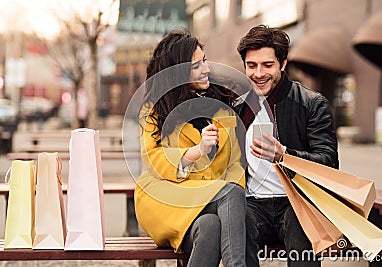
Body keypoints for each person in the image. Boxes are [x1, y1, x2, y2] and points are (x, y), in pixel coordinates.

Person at [134, 30, 246, 267]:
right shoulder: (154, 109)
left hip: (211, 197)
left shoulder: (222, 108)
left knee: (210, 226)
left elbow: (235, 163)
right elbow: (153, 158)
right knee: (230, 193)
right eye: (196, 65)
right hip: (167, 197)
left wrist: (227, 188)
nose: (205, 69)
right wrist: (197, 150)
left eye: (204, 61)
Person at [235, 25, 339, 266]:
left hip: (296, 201)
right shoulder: (237, 107)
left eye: (267, 65)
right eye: (252, 65)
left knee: (303, 227)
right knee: (233, 222)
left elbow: (329, 162)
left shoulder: (312, 104)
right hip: (252, 204)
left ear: (283, 64)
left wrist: (285, 155)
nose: (258, 73)